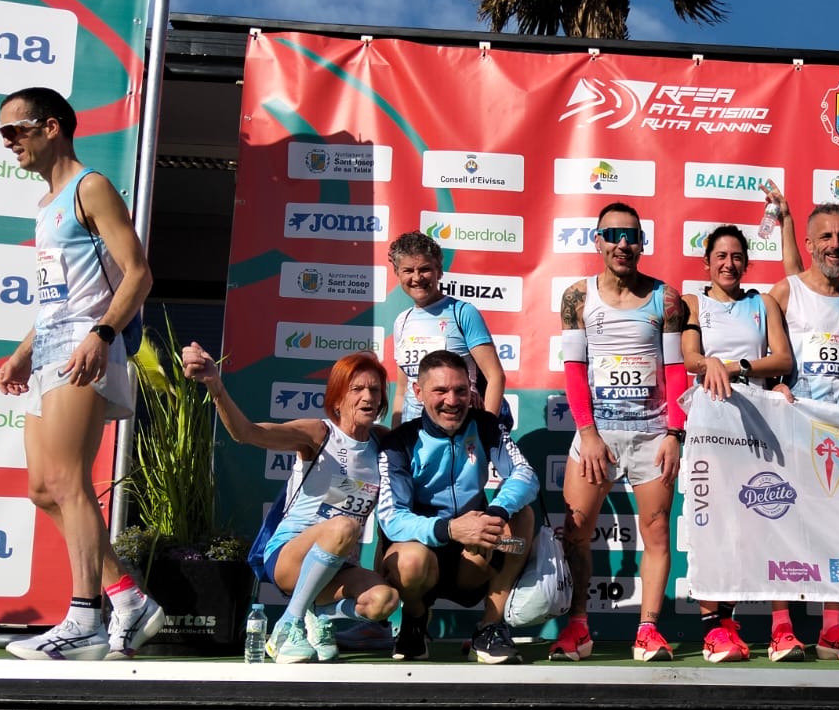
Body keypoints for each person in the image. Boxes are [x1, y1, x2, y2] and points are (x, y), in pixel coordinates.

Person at [0, 87, 164, 661]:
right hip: (52, 346)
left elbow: (138, 274)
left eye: (14, 130)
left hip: (89, 342)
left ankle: (85, 620)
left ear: (51, 127)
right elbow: (53, 300)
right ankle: (126, 597)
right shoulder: (47, 206)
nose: (8, 143)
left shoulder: (90, 187)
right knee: (43, 489)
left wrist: (103, 334)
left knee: (69, 480)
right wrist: (24, 350)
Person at [182, 347, 400, 662]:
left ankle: (317, 614)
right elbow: (247, 433)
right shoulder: (319, 433)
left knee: (384, 600)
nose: (368, 396)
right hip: (288, 558)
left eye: (375, 389)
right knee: (344, 526)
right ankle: (290, 625)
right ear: (338, 398)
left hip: (337, 568)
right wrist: (216, 387)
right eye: (357, 389)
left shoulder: (382, 443)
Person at [553, 202, 687, 662]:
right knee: (575, 532)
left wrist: (675, 433)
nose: (622, 244)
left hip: (652, 437)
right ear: (598, 241)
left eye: (631, 236)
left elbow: (674, 370)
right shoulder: (577, 297)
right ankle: (577, 628)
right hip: (598, 437)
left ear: (642, 243)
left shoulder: (666, 299)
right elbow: (574, 371)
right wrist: (587, 433)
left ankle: (648, 630)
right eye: (612, 235)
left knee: (656, 534)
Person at [376, 350, 539, 664]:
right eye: (440, 391)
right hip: (424, 555)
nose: (452, 400)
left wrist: (496, 512)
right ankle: (414, 621)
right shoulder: (399, 442)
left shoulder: (485, 425)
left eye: (460, 390)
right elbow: (391, 519)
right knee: (408, 561)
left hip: (473, 557)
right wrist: (450, 528)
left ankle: (490, 626)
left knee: (522, 515)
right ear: (418, 393)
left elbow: (525, 475)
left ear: (470, 391)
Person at [681, 224, 795, 663]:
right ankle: (717, 629)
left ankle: (780, 630)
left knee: (768, 521)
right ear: (706, 262)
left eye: (736, 256)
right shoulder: (693, 303)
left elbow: (782, 359)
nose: (728, 264)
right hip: (710, 431)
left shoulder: (762, 302)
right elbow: (690, 357)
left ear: (745, 262)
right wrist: (708, 362)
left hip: (757, 429)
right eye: (720, 256)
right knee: (715, 526)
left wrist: (734, 365)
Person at [766, 200, 839, 663]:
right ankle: (782, 629)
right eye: (826, 237)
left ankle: (832, 629)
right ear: (808, 244)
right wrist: (776, 386)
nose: (836, 244)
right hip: (791, 431)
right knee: (785, 527)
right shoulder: (784, 293)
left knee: (838, 532)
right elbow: (766, 359)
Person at [387, 230, 509, 426]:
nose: (417, 278)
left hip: (459, 430)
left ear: (439, 271)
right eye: (408, 270)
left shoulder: (463, 313)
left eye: (425, 269)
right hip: (415, 434)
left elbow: (495, 376)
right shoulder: (402, 321)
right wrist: (397, 437)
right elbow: (402, 389)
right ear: (397, 273)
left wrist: (487, 432)